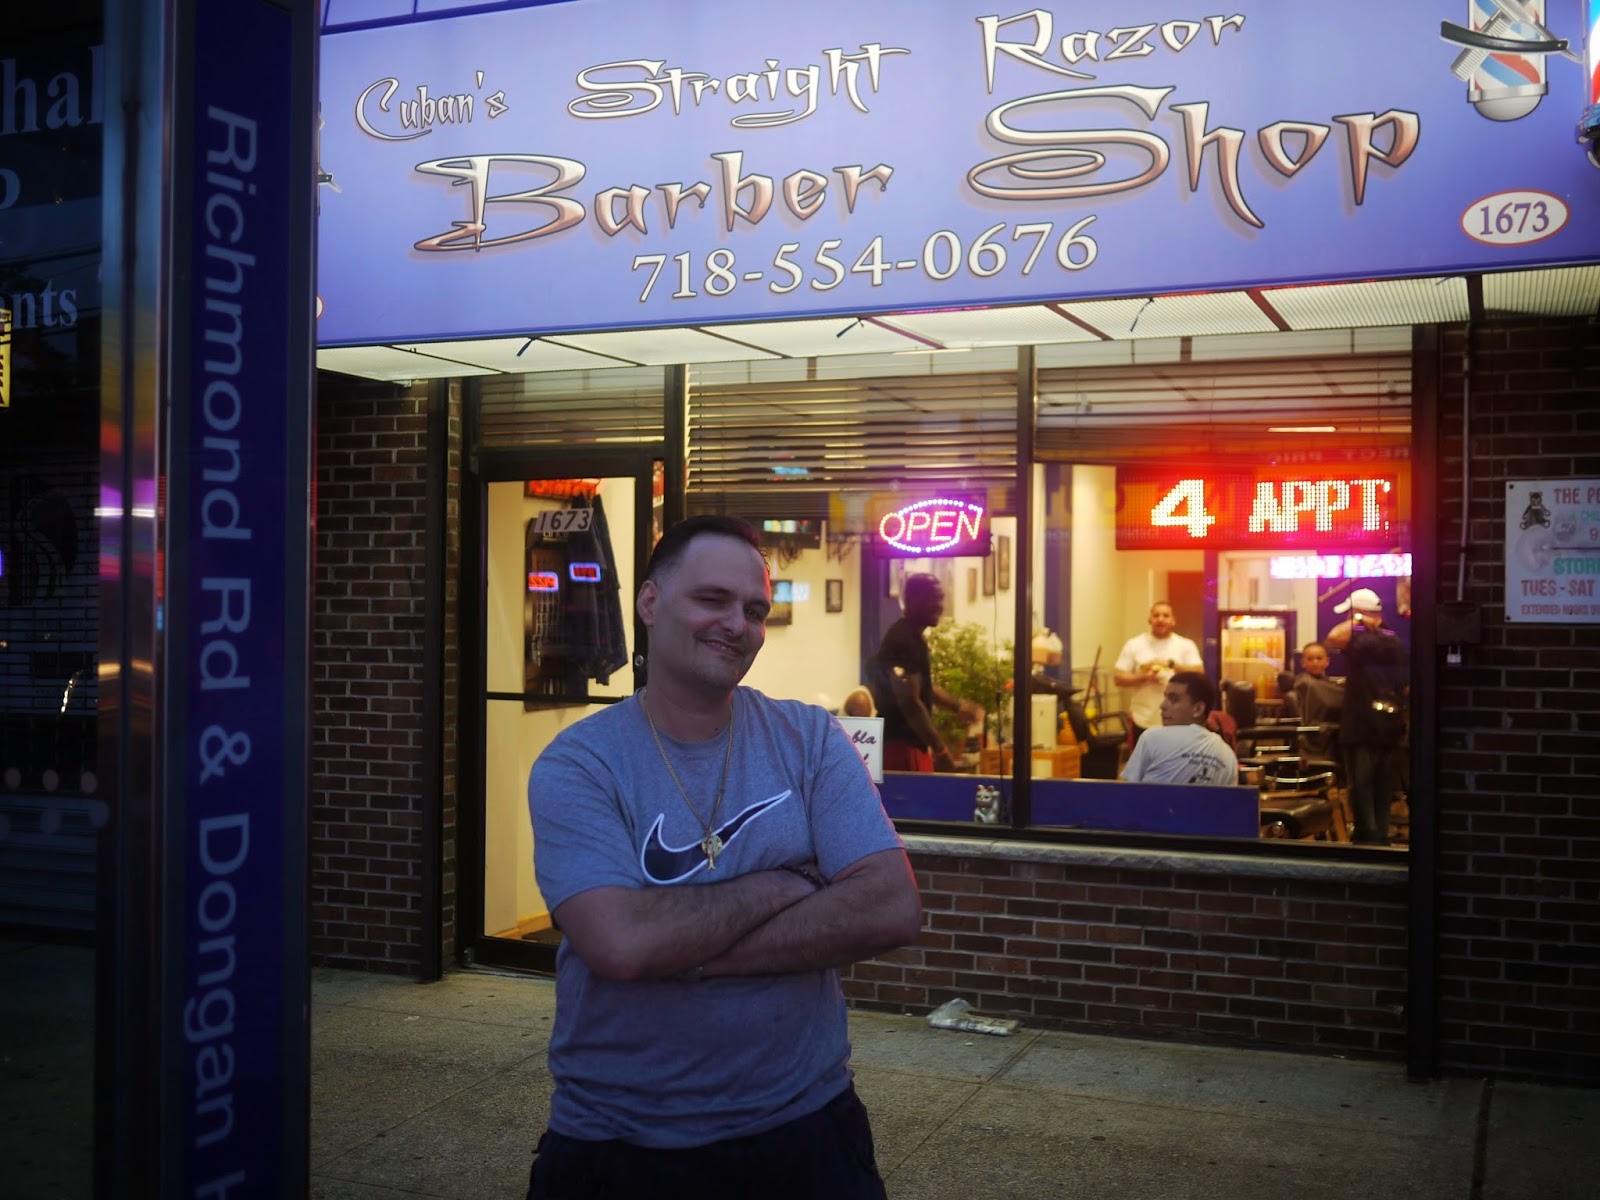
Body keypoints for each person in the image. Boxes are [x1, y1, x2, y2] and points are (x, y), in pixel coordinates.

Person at [526, 516, 922, 1200]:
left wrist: (685, 949)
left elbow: (891, 905)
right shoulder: (581, 764)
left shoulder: (809, 739)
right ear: (650, 603)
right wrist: (784, 885)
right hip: (624, 1146)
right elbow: (621, 945)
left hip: (807, 1130)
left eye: (755, 610)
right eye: (712, 599)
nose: (737, 624)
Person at [870, 571, 983, 772]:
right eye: (932, 598)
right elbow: (910, 701)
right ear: (912, 600)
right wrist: (940, 750)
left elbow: (920, 687)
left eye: (940, 598)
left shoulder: (912, 635)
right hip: (900, 748)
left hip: (910, 745)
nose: (939, 605)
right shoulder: (903, 639)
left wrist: (958, 705)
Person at [1323, 587, 1406, 845]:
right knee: (1383, 786)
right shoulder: (1392, 640)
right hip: (1388, 723)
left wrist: (1357, 619)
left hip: (1361, 724)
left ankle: (1366, 837)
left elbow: (1333, 637)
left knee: (1362, 785)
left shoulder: (1362, 638)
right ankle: (1379, 835)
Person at [1121, 671, 1239, 785]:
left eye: (1173, 699)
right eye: (1165, 697)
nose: (1163, 705)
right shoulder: (1228, 756)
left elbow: (1127, 794)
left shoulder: (1152, 738)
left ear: (1198, 709)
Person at [1113, 602, 1204, 744]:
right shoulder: (1134, 644)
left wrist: (1170, 664)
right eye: (1156, 615)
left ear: (1173, 620)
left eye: (1165, 615)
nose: (1160, 619)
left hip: (1179, 721)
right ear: (1150, 620)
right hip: (1143, 720)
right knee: (1144, 764)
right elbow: (1118, 678)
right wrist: (1145, 677)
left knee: (1176, 764)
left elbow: (1199, 673)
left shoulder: (1185, 645)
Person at [1290, 641, 1344, 762]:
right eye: (1310, 659)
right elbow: (1331, 701)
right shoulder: (1304, 683)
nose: (1315, 662)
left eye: (1319, 658)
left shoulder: (1328, 683)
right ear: (1303, 663)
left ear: (1327, 661)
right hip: (1316, 737)